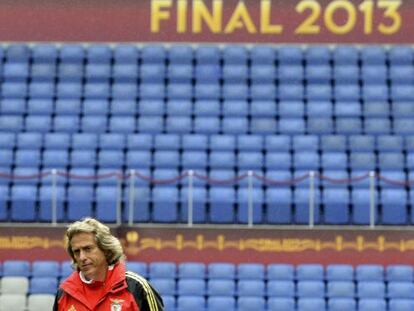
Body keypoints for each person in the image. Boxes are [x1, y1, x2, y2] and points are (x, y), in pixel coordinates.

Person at [53, 217, 164, 311]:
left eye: (88, 249)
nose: (82, 257)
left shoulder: (137, 288)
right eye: (76, 251)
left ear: (105, 249)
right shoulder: (64, 293)